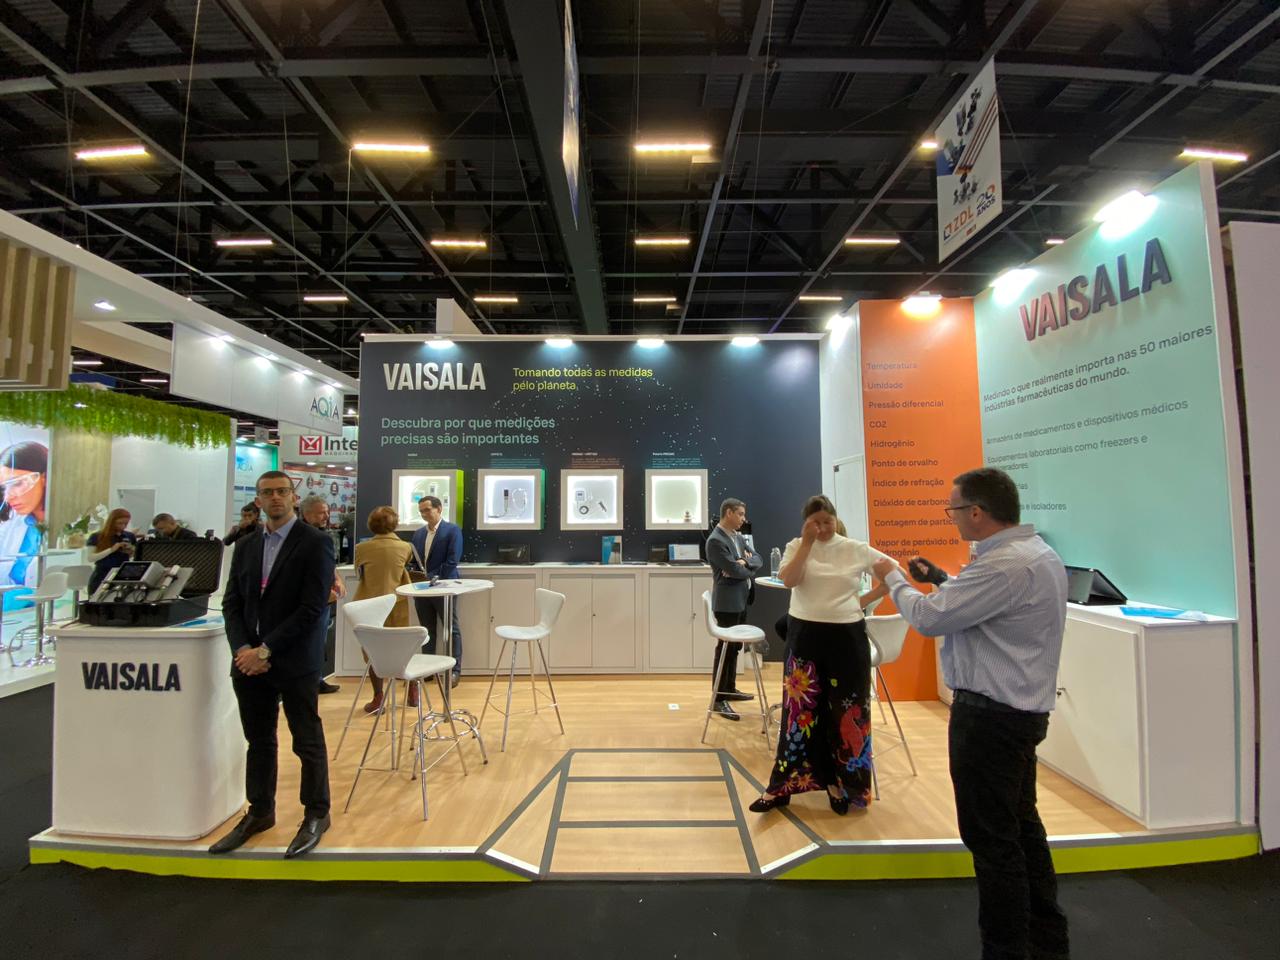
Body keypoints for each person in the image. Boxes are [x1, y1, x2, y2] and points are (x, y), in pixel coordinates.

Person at [872, 467, 1070, 960]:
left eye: (954, 509)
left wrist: (892, 578)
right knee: (1021, 828)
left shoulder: (1003, 565)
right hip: (1018, 715)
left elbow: (928, 618)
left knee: (993, 842)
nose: (953, 518)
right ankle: (1046, 942)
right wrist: (941, 580)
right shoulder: (1036, 554)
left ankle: (1006, 949)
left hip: (990, 720)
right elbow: (984, 607)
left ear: (977, 512)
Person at [209, 470, 335, 860]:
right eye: (268, 493)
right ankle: (260, 811)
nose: (276, 498)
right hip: (249, 664)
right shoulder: (246, 545)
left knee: (306, 740)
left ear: (293, 497)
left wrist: (265, 650)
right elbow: (232, 603)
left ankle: (316, 813)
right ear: (258, 500)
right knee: (259, 741)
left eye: (282, 491)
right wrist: (243, 649)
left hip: (294, 660)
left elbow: (311, 607)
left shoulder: (315, 542)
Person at [750, 495, 889, 816]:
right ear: (806, 523)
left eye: (827, 521)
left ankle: (840, 785)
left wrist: (866, 598)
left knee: (845, 712)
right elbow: (789, 579)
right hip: (805, 638)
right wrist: (806, 544)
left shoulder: (855, 548)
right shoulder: (796, 546)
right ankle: (782, 786)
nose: (823, 528)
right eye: (816, 523)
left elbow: (894, 573)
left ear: (835, 520)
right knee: (799, 715)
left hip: (847, 639)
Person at [350, 506, 414, 713]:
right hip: (397, 603)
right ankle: (412, 689)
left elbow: (358, 572)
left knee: (372, 649)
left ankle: (378, 697)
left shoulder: (362, 548)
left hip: (369, 605)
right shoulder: (405, 547)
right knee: (402, 646)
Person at [704, 497, 763, 721]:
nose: (743, 519)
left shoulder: (737, 537)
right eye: (740, 514)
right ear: (728, 513)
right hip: (727, 603)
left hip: (741, 599)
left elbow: (758, 558)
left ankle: (729, 689)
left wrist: (745, 563)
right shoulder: (715, 541)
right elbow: (734, 571)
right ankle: (719, 699)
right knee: (725, 649)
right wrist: (741, 567)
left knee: (735, 648)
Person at [410, 495, 463, 688]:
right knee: (426, 629)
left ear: (439, 509)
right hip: (422, 590)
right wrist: (415, 574)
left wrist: (430, 577)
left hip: (445, 586)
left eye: (427, 510)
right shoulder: (418, 534)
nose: (424, 514)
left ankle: (454, 671)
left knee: (451, 629)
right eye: (421, 511)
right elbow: (414, 561)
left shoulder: (452, 530)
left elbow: (452, 561)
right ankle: (427, 670)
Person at [300, 495, 346, 696]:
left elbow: (328, 563)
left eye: (327, 512)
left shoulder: (322, 536)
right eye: (321, 513)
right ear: (307, 514)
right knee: (309, 641)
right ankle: (309, 681)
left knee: (319, 640)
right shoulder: (300, 538)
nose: (326, 516)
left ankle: (316, 679)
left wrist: (337, 579)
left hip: (324, 599)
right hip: (309, 600)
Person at [0, 441, 49, 596]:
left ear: (44, 478)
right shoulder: (13, 525)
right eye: (4, 488)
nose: (9, 496)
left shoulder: (66, 526)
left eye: (17, 483)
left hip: (46, 605)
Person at [86, 508, 138, 594]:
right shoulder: (97, 536)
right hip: (102, 575)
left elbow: (133, 556)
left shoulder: (129, 536)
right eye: (120, 523)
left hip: (122, 575)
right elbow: (90, 558)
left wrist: (131, 551)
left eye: (126, 523)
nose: (123, 526)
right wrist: (111, 550)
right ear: (111, 522)